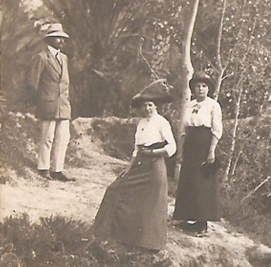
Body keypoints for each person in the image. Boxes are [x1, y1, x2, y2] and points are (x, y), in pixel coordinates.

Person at [92, 81, 177, 251]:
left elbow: (172, 147)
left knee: (148, 204)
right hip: (139, 163)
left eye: (150, 105)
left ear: (156, 106)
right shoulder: (141, 123)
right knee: (115, 189)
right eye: (144, 106)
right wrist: (129, 167)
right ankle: (112, 233)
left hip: (154, 166)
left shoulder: (162, 122)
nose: (147, 109)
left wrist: (154, 153)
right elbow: (136, 148)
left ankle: (147, 243)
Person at [173, 72, 223, 236]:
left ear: (208, 89)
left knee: (202, 181)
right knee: (189, 179)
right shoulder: (190, 105)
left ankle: (202, 223)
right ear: (193, 89)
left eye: (204, 86)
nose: (200, 89)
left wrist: (211, 150)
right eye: (198, 86)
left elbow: (216, 130)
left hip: (204, 141)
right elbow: (184, 129)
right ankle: (188, 218)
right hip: (191, 142)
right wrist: (180, 150)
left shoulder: (213, 105)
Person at [28, 22, 74, 182]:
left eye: (62, 38)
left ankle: (57, 170)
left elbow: (65, 81)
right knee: (47, 137)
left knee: (63, 138)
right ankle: (43, 168)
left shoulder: (64, 58)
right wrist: (40, 101)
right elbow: (33, 83)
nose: (61, 41)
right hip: (47, 103)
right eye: (57, 38)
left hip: (63, 105)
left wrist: (66, 99)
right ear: (49, 40)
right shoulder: (42, 57)